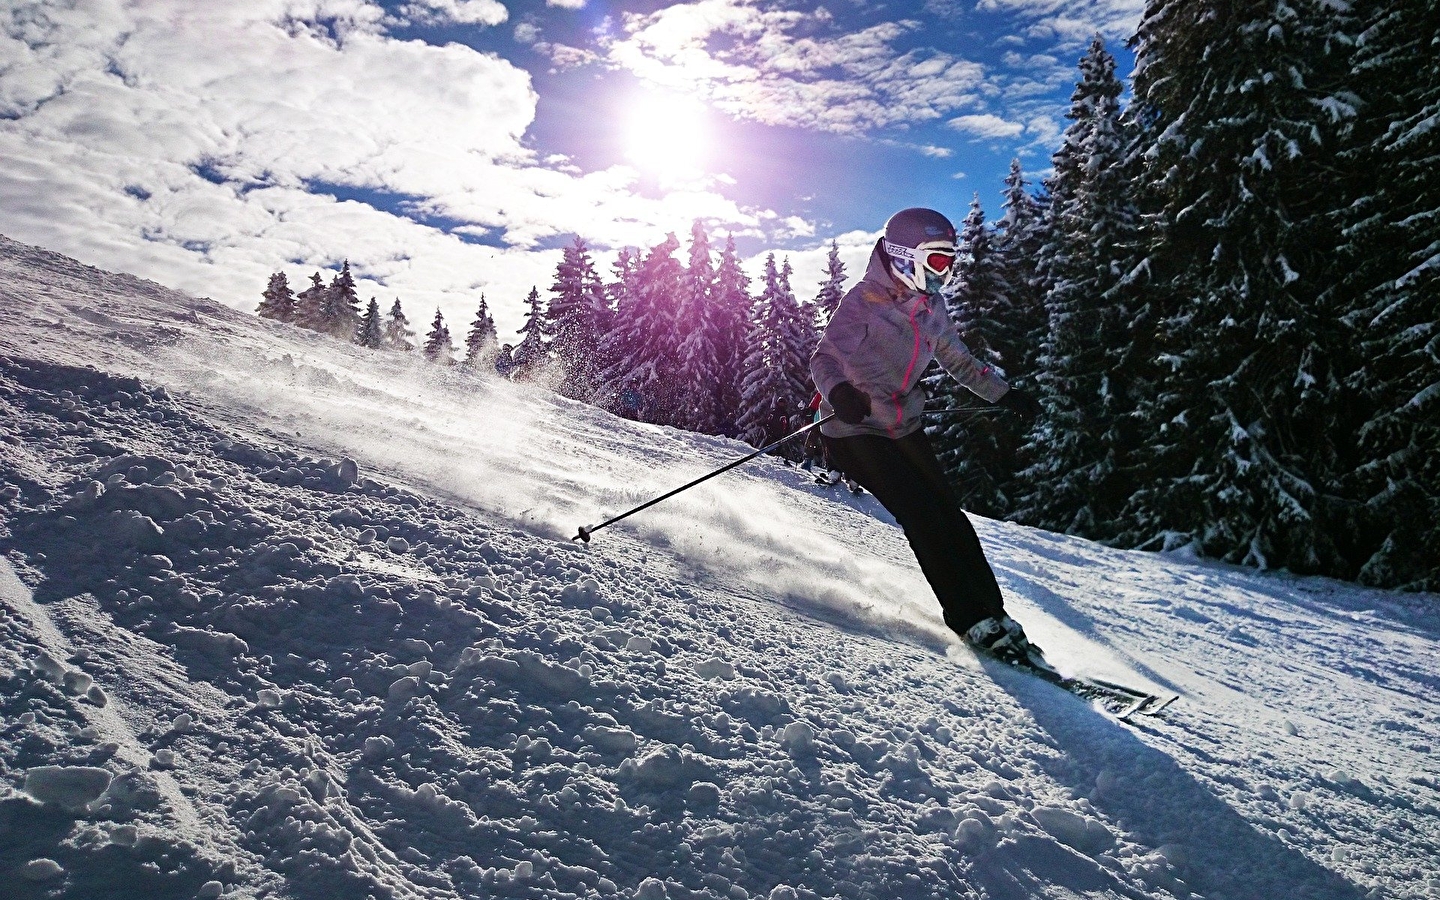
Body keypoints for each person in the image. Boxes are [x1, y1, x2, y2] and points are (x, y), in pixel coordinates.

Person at [809, 207, 1044, 662]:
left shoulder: (932, 307)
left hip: (902, 424)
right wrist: (840, 392)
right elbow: (824, 359)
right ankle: (969, 619)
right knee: (922, 516)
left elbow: (957, 361)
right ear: (903, 257)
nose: (946, 272)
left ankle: (995, 614)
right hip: (854, 428)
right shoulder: (863, 301)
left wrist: (1004, 395)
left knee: (950, 515)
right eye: (937, 261)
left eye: (950, 262)